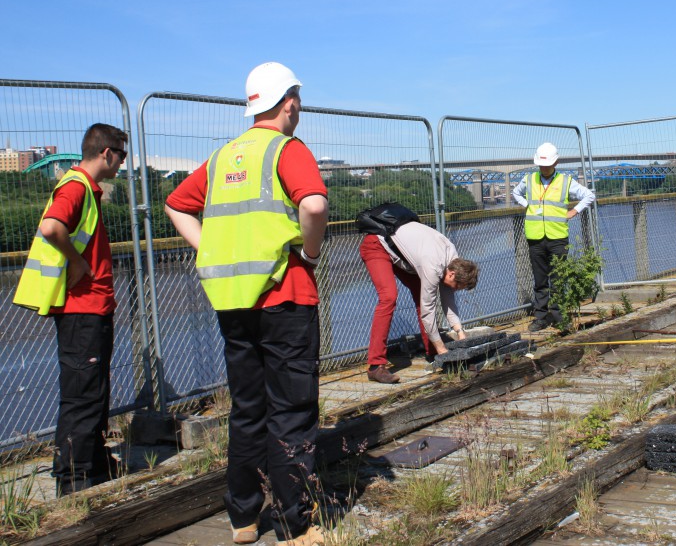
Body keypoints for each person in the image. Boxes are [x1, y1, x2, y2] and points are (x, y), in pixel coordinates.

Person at [165, 62, 328, 546]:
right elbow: (314, 206)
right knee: (292, 410)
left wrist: (207, 249)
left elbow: (176, 203)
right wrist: (311, 252)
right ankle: (296, 526)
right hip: (285, 296)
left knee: (248, 409)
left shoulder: (222, 158)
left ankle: (242, 519)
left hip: (233, 302)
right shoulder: (287, 149)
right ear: (290, 102)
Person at [14, 123, 128, 496]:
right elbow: (51, 227)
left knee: (92, 392)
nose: (122, 164)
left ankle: (93, 466)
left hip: (90, 308)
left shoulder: (86, 189)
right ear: (107, 153)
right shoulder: (77, 186)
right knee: (82, 395)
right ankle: (74, 482)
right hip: (82, 309)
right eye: (121, 155)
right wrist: (77, 263)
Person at [360, 221, 479, 384]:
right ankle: (375, 366)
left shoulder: (453, 260)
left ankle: (431, 352)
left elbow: (448, 299)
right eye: (458, 286)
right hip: (377, 244)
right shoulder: (433, 265)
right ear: (451, 274)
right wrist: (443, 350)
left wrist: (459, 331)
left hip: (401, 254)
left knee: (420, 293)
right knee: (389, 297)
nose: (456, 290)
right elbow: (427, 310)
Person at [512, 142, 596, 331]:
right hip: (535, 237)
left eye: (547, 164)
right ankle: (540, 317)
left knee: (558, 279)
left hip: (557, 237)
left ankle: (559, 316)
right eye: (541, 165)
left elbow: (589, 196)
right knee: (540, 280)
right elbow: (515, 193)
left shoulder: (566, 181)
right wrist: (527, 205)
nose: (543, 168)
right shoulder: (529, 179)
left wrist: (574, 211)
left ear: (555, 162)